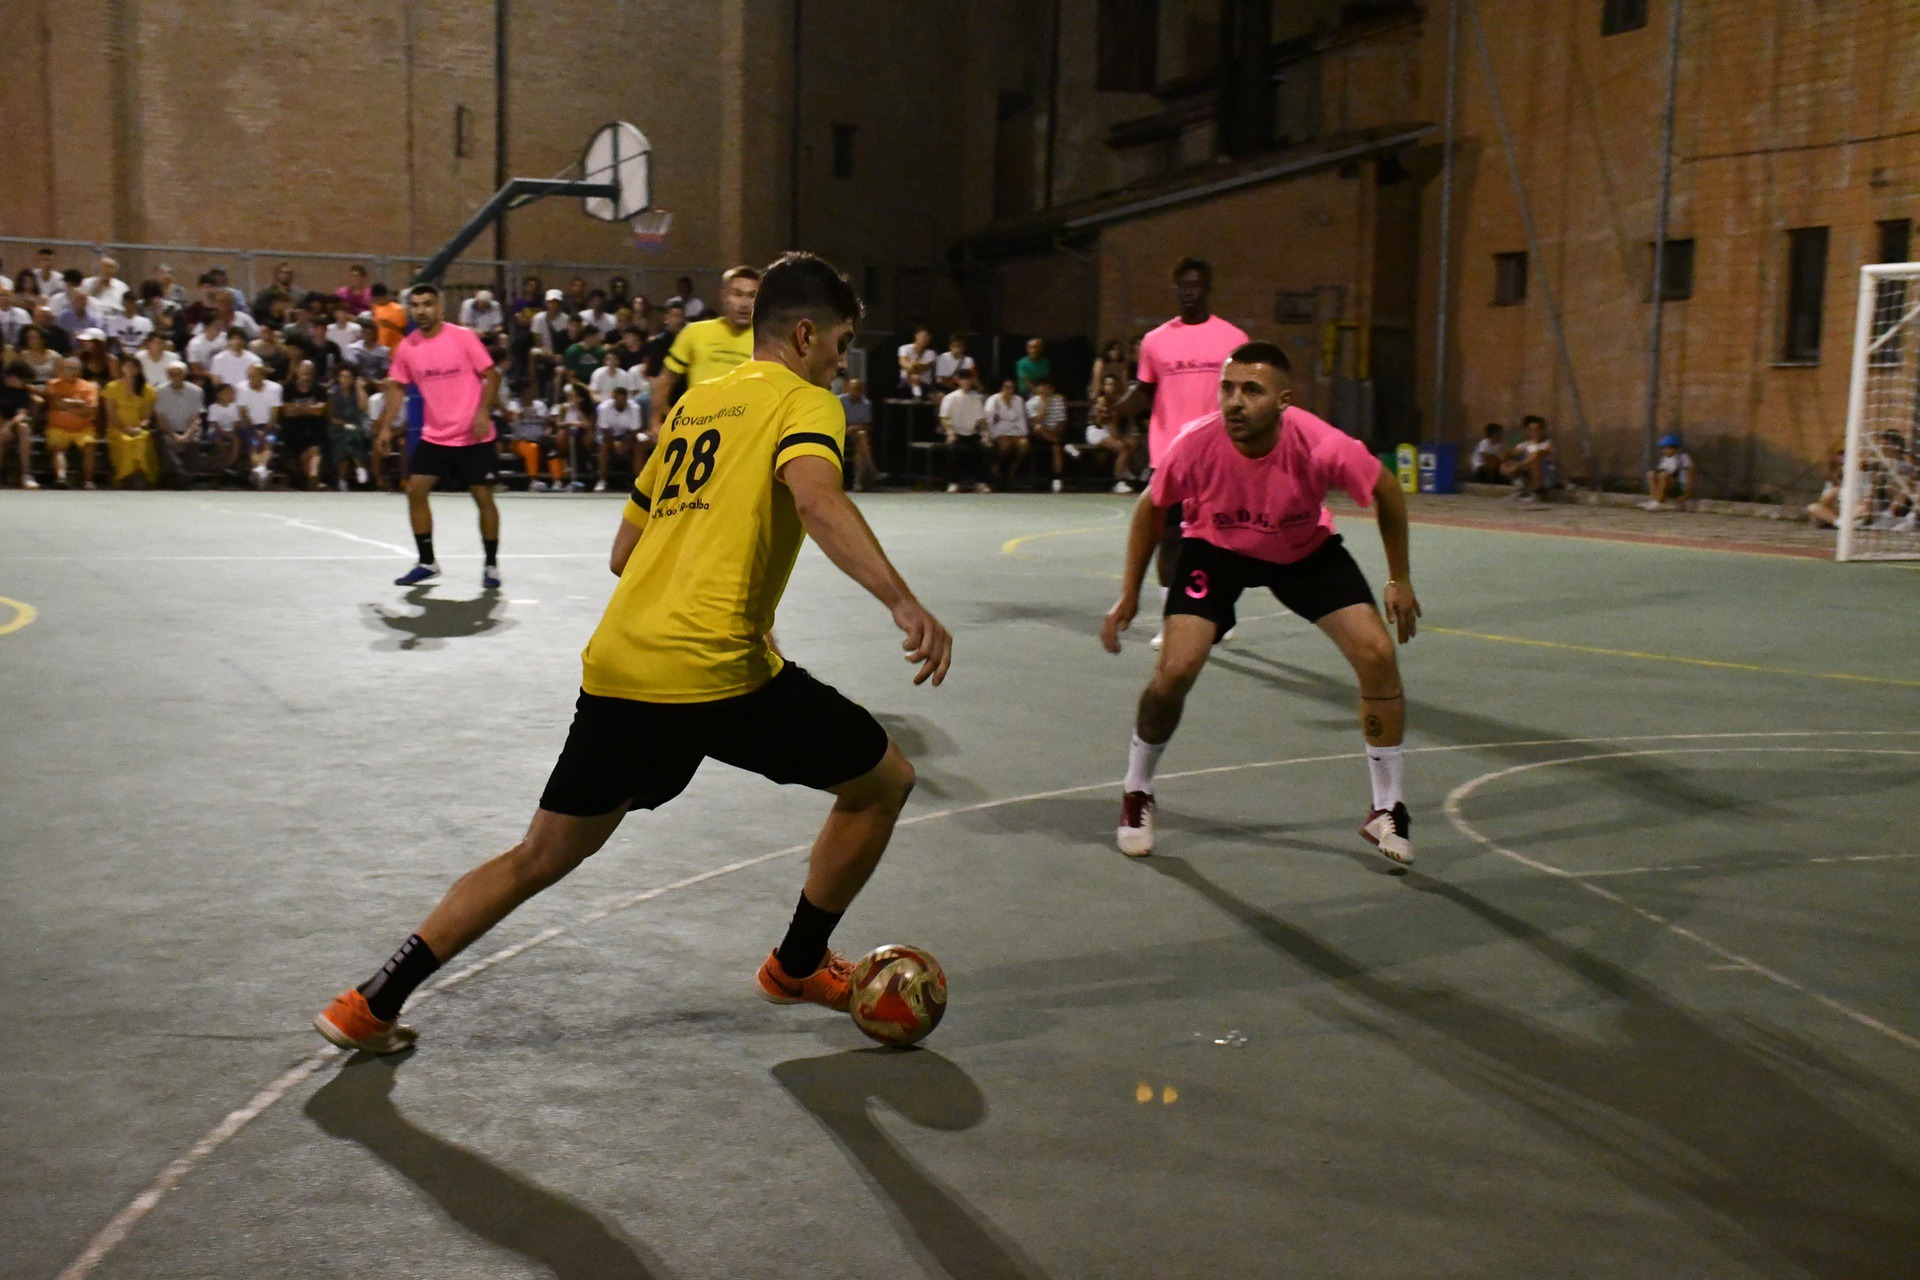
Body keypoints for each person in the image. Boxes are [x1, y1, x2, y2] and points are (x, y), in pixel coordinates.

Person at [311, 250, 952, 1057]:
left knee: (539, 854)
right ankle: (795, 966)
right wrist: (901, 599)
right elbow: (818, 499)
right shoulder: (806, 403)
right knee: (883, 781)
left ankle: (369, 1001)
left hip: (620, 663)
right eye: (840, 342)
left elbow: (625, 552)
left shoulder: (695, 408)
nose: (840, 361)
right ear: (803, 334)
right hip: (712, 669)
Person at [1101, 341, 1421, 864]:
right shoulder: (1196, 442)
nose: (1234, 402)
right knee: (1175, 671)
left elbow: (1386, 488)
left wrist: (1399, 578)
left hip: (1301, 550)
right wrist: (1129, 593)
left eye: (1251, 390)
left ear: (1283, 401)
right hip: (1215, 550)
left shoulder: (1321, 444)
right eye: (1227, 389)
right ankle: (1138, 790)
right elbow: (1150, 509)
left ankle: (1387, 806)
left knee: (1377, 654)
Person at [1115, 258, 1250, 649]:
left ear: (1208, 288)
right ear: (1174, 290)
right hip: (1170, 458)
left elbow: (1245, 393)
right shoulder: (1155, 341)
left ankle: (1220, 612)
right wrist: (1116, 408)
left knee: (1223, 541)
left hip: (1221, 458)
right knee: (1170, 539)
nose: (1189, 292)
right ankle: (1173, 621)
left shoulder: (1233, 339)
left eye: (1196, 285)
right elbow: (1144, 391)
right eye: (1183, 286)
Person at [375, 284, 504, 589]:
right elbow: (397, 388)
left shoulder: (463, 337)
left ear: (441, 308)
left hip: (473, 435)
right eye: (416, 305)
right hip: (436, 436)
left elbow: (492, 376)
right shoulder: (407, 347)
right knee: (415, 491)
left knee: (483, 498)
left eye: (428, 304)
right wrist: (385, 427)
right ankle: (427, 562)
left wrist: (483, 412)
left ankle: (491, 565)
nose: (421, 310)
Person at [650, 267, 760, 431]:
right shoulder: (695, 332)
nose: (744, 303)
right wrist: (655, 421)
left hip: (745, 432)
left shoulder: (767, 341)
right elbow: (666, 380)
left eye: (752, 296)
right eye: (737, 294)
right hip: (696, 431)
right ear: (724, 295)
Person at [101, 357, 159, 488]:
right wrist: (125, 429)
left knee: (141, 439)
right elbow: (111, 414)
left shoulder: (147, 389)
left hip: (139, 428)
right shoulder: (112, 387)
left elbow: (147, 416)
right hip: (117, 428)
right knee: (125, 441)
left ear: (138, 370)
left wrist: (140, 427)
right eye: (127, 366)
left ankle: (141, 474)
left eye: (133, 367)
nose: (130, 370)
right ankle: (123, 476)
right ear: (122, 368)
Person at [44, 357, 101, 488]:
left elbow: (91, 409)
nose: (68, 370)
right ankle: (61, 478)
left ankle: (88, 481)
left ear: (79, 371)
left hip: (83, 428)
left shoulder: (89, 387)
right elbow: (54, 403)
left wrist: (66, 406)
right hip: (58, 427)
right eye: (65, 367)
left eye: (72, 368)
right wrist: (78, 404)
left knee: (89, 446)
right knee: (58, 448)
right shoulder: (53, 384)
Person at [152, 360, 206, 487]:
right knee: (166, 442)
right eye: (171, 373)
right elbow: (160, 417)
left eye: (177, 373)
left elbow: (196, 417)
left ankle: (188, 476)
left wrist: (186, 435)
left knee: (194, 441)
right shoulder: (159, 391)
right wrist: (174, 435)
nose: (174, 376)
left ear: (184, 374)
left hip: (189, 429)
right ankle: (179, 474)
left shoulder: (196, 391)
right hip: (167, 429)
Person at [233, 362, 285, 489]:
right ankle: (262, 472)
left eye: (254, 375)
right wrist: (255, 431)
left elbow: (274, 414)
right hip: (249, 425)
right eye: (249, 375)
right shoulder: (241, 388)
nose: (250, 377)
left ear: (262, 376)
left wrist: (265, 431)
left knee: (268, 445)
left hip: (269, 426)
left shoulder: (275, 388)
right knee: (254, 446)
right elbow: (243, 413)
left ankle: (259, 471)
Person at [938, 369, 990, 494]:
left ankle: (980, 483)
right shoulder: (950, 398)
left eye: (968, 379)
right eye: (963, 379)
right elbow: (943, 418)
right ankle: (953, 482)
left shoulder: (976, 398)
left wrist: (985, 436)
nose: (966, 382)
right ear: (958, 381)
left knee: (984, 449)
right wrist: (950, 433)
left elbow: (980, 420)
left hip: (972, 434)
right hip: (956, 434)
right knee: (953, 448)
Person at [280, 360, 330, 489]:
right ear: (297, 372)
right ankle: (313, 478)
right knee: (306, 453)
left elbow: (319, 411)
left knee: (314, 449)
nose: (306, 376)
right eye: (304, 372)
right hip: (293, 430)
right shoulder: (288, 388)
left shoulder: (319, 389)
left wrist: (297, 408)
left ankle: (312, 477)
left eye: (309, 373)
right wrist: (310, 408)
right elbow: (287, 412)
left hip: (314, 428)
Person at [593, 382, 649, 490]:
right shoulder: (603, 408)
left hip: (627, 436)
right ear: (613, 398)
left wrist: (625, 445)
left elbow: (635, 431)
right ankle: (602, 480)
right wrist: (614, 444)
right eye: (618, 399)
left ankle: (639, 482)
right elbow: (605, 430)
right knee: (604, 446)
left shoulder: (635, 408)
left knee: (639, 444)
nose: (621, 402)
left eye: (623, 400)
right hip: (609, 436)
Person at [1085, 392, 1137, 493]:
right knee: (1123, 448)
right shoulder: (1095, 412)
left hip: (1108, 432)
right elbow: (1099, 426)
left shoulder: (1112, 413)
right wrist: (1102, 416)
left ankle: (1123, 468)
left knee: (1133, 441)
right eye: (1099, 404)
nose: (1102, 407)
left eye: (1104, 405)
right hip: (1096, 433)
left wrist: (1113, 420)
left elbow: (1115, 435)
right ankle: (1119, 481)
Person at [0, 359, 40, 488]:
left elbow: (22, 413)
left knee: (24, 427)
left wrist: (8, 426)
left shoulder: (22, 391)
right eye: (23, 381)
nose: (25, 384)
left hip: (12, 425)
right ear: (13, 377)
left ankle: (26, 475)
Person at [984, 376, 1030, 488]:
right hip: (999, 429)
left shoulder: (1018, 400)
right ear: (1002, 388)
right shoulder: (994, 400)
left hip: (1015, 429)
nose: (1009, 389)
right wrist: (988, 434)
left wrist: (1024, 434)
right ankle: (996, 465)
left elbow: (1021, 418)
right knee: (1006, 445)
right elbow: (989, 418)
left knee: (1024, 446)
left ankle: (1012, 470)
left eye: (1011, 387)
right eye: (1006, 387)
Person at [839, 376, 884, 491]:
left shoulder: (866, 404)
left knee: (861, 441)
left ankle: (858, 482)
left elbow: (868, 425)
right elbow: (831, 420)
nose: (854, 391)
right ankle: (872, 470)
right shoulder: (839, 401)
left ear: (861, 390)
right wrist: (845, 428)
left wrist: (854, 427)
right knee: (862, 441)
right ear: (847, 388)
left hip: (855, 435)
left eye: (857, 389)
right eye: (852, 388)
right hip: (839, 433)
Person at [1026, 378, 1070, 493]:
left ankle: (1057, 478)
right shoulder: (1031, 403)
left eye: (1047, 387)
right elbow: (1036, 421)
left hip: (1053, 434)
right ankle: (1064, 444)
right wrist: (1044, 405)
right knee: (1038, 428)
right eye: (1042, 387)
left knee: (1056, 448)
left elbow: (1061, 422)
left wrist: (1054, 434)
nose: (1045, 390)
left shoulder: (1058, 400)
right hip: (1038, 436)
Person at [1501, 415, 1555, 502]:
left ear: (1542, 430)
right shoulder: (1525, 444)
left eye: (1537, 429)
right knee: (1511, 461)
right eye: (1532, 430)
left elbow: (1537, 455)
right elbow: (1510, 453)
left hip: (1546, 476)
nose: (1534, 432)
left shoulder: (1547, 444)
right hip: (1527, 472)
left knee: (1534, 463)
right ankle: (1520, 491)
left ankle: (1536, 494)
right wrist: (1503, 462)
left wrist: (1518, 465)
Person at [1644, 433, 1693, 510]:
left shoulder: (1683, 458)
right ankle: (1656, 500)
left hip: (1679, 488)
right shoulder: (1664, 459)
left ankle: (1658, 502)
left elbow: (1690, 478)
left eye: (1665, 448)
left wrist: (1685, 495)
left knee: (1664, 475)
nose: (1663, 451)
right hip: (1666, 486)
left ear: (1672, 448)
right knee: (1651, 474)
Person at [897, 325, 937, 400]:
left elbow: (923, 367)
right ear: (916, 336)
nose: (925, 339)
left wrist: (912, 366)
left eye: (927, 337)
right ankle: (917, 396)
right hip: (906, 382)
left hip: (925, 384)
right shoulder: (904, 348)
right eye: (923, 336)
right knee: (914, 377)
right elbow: (903, 363)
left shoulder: (931, 353)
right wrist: (912, 366)